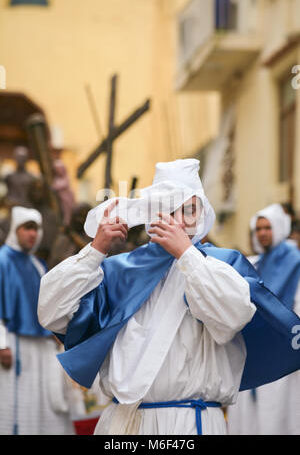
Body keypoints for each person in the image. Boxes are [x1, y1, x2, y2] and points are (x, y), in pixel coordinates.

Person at [38, 159, 300, 436]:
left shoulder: (221, 265)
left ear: (200, 213)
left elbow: (232, 317)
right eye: (166, 207)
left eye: (186, 209)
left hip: (188, 421)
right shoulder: (119, 270)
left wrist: (187, 255)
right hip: (124, 423)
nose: (175, 217)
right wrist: (95, 251)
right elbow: (51, 312)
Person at [0, 206, 75, 435]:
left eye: (36, 229)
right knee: (16, 405)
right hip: (14, 344)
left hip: (43, 345)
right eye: (27, 228)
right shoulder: (2, 260)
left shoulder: (37, 265)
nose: (32, 234)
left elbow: (46, 306)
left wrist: (55, 331)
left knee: (47, 406)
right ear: (16, 229)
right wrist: (1, 344)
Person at [227, 203, 300, 435]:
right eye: (258, 228)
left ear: (278, 228)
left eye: (267, 227)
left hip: (284, 350)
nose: (262, 233)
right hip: (254, 348)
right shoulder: (255, 262)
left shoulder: (295, 261)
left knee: (279, 414)